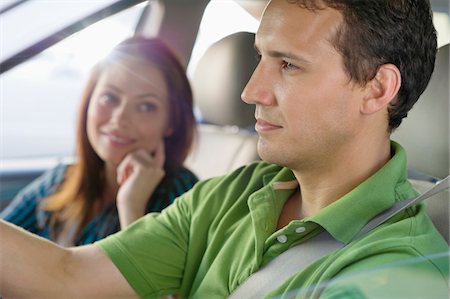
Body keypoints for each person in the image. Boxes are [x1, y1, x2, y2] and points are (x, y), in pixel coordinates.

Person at [1, 0, 448, 298]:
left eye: (288, 65)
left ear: (377, 89)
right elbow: (68, 277)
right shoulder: (235, 193)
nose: (251, 91)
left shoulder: (399, 275)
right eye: (260, 58)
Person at [0, 36, 198, 246]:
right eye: (110, 98)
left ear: (171, 123)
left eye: (146, 106)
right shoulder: (62, 178)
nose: (120, 118)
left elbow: (153, 279)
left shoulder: (182, 195)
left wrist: (131, 206)